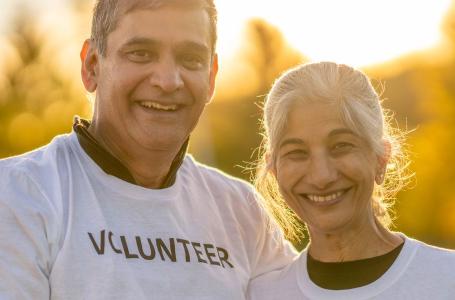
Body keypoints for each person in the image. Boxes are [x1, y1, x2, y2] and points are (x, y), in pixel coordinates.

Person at [0, 1, 297, 299]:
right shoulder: (19, 193)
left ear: (211, 77)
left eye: (191, 58)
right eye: (141, 54)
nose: (168, 81)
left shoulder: (242, 211)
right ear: (92, 65)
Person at [247, 62, 455, 299]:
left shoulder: (447, 278)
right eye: (297, 152)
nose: (321, 176)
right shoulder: (261, 294)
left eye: (341, 146)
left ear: (380, 158)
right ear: (274, 168)